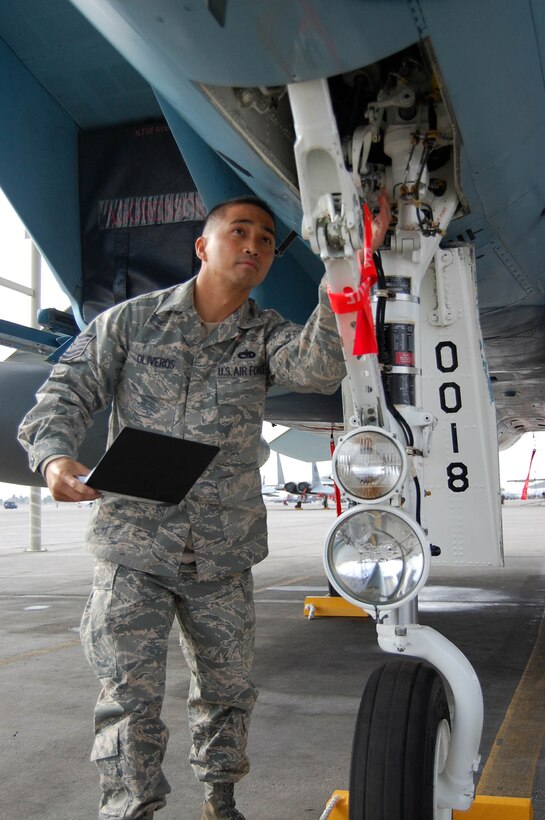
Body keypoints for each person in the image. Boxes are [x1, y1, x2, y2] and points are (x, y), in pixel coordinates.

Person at [18, 194, 389, 820]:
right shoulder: (132, 322)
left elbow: (320, 369)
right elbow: (65, 391)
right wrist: (53, 458)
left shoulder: (265, 336)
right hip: (134, 548)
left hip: (221, 555)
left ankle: (221, 801)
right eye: (238, 232)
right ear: (203, 245)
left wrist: (338, 280)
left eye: (267, 240)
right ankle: (129, 808)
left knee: (226, 692)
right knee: (127, 695)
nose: (253, 245)